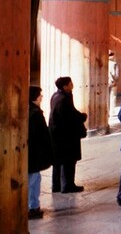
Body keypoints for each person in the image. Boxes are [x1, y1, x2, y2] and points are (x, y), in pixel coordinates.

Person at [49, 76, 87, 193]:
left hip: (57, 133)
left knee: (58, 161)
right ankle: (67, 185)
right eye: (71, 83)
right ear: (65, 86)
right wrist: (82, 117)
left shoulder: (56, 96)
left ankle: (57, 186)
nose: (72, 85)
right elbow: (68, 117)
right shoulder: (63, 99)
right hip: (65, 135)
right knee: (68, 161)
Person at [28, 86, 53, 219]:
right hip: (34, 154)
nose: (41, 97)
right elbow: (41, 135)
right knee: (33, 180)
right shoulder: (35, 114)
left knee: (34, 179)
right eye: (40, 95)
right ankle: (32, 207)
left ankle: (33, 206)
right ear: (35, 97)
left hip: (30, 153)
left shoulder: (27, 110)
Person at [108, 51, 119, 116]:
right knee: (113, 97)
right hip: (113, 81)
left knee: (105, 97)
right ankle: (111, 112)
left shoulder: (103, 62)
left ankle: (106, 111)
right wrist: (115, 80)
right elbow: (116, 74)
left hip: (105, 82)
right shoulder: (114, 63)